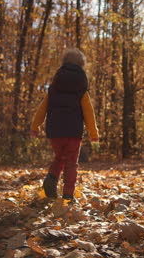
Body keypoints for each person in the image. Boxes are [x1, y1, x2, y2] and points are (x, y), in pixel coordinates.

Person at [30, 48, 99, 200]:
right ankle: (68, 195)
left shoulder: (54, 89)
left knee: (60, 157)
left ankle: (51, 178)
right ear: (82, 66)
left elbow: (43, 108)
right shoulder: (81, 90)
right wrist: (93, 133)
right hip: (73, 133)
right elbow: (89, 113)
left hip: (55, 132)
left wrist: (35, 126)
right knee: (71, 163)